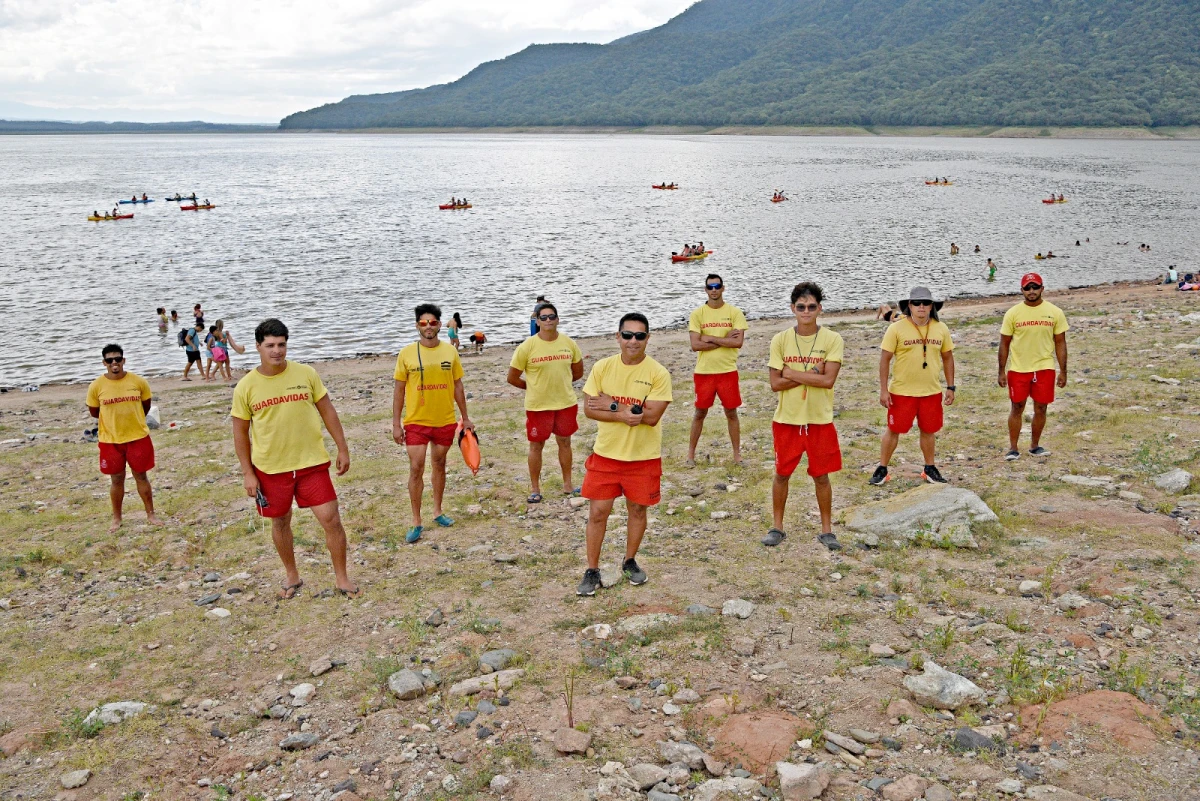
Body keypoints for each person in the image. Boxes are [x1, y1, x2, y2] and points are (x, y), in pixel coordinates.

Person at [232, 319, 358, 599]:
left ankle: (342, 578)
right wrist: (247, 472)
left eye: (281, 345)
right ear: (258, 347)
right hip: (270, 468)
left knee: (332, 520)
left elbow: (328, 411)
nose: (277, 351)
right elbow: (240, 433)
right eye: (270, 346)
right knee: (280, 522)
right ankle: (292, 575)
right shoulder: (246, 387)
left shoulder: (306, 374)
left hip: (311, 464)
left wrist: (342, 448)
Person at [576, 313, 672, 596]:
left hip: (643, 457)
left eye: (639, 336)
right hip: (606, 455)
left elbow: (652, 417)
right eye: (627, 335)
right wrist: (623, 413)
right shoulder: (603, 368)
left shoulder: (658, 373)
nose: (633, 341)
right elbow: (590, 409)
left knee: (638, 510)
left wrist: (613, 405)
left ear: (648, 339)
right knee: (597, 513)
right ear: (617, 337)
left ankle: (630, 561)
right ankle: (591, 570)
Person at [764, 282, 844, 551]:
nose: (806, 311)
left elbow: (828, 381)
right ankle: (777, 527)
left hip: (819, 419)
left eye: (811, 307)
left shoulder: (832, 339)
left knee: (821, 476)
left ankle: (826, 530)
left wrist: (791, 373)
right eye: (801, 307)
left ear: (820, 308)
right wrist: (812, 373)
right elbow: (775, 384)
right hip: (787, 419)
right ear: (792, 309)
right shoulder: (780, 340)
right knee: (782, 474)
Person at [392, 304, 473, 544]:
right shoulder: (406, 353)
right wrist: (396, 424)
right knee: (416, 467)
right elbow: (399, 390)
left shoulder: (450, 352)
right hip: (416, 421)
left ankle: (437, 511)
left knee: (439, 464)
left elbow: (458, 386)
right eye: (423, 323)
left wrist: (465, 417)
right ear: (417, 325)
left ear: (440, 324)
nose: (428, 327)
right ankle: (416, 521)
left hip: (444, 420)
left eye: (433, 322)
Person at [870, 287, 956, 486]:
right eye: (917, 303)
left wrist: (951, 387)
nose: (921, 307)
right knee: (893, 429)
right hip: (901, 392)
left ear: (931, 306)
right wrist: (883, 390)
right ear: (909, 305)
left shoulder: (941, 328)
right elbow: (885, 360)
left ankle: (929, 468)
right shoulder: (896, 328)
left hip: (931, 391)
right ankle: (882, 468)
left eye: (926, 303)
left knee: (929, 430)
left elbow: (948, 358)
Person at [508, 302, 584, 503]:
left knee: (565, 442)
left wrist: (560, 385)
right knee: (536, 446)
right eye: (544, 317)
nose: (548, 320)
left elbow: (578, 372)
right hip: (538, 406)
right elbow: (512, 377)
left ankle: (568, 485)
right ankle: (535, 488)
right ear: (537, 321)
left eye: (552, 316)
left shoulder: (569, 343)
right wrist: (532, 387)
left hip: (565, 403)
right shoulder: (527, 346)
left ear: (558, 319)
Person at [87, 344, 161, 532]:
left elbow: (145, 406)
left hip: (137, 437)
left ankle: (150, 514)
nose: (114, 363)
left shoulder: (138, 382)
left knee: (141, 476)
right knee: (116, 479)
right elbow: (95, 412)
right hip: (110, 440)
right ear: (104, 363)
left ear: (123, 361)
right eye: (110, 360)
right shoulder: (96, 386)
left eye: (118, 359)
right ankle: (117, 518)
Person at [998, 273, 1069, 460]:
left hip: (1044, 368)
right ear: (1022, 290)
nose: (1031, 291)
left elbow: (1060, 343)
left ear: (1042, 288)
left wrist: (1063, 371)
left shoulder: (1055, 312)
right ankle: (1013, 448)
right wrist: (1001, 371)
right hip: (1019, 369)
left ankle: (1034, 446)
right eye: (1027, 288)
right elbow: (1004, 343)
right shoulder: (1013, 313)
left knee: (1041, 408)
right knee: (1017, 407)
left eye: (1035, 287)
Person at [686, 274, 748, 466]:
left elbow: (737, 342)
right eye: (710, 287)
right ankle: (690, 455)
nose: (714, 290)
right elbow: (695, 345)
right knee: (699, 413)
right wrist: (724, 339)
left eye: (717, 286)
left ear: (723, 288)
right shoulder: (698, 314)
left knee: (731, 413)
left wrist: (710, 338)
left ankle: (737, 455)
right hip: (704, 372)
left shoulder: (735, 313)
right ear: (706, 290)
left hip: (727, 371)